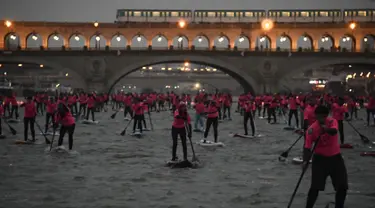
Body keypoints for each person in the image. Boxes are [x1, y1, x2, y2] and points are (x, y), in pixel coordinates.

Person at [303, 105, 348, 208]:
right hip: (320, 160)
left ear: (326, 116)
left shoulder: (332, 121)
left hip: (335, 158)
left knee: (342, 186)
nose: (320, 119)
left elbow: (334, 132)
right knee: (315, 187)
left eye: (323, 117)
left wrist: (325, 129)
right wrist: (305, 161)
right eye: (318, 117)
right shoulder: (311, 129)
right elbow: (307, 147)